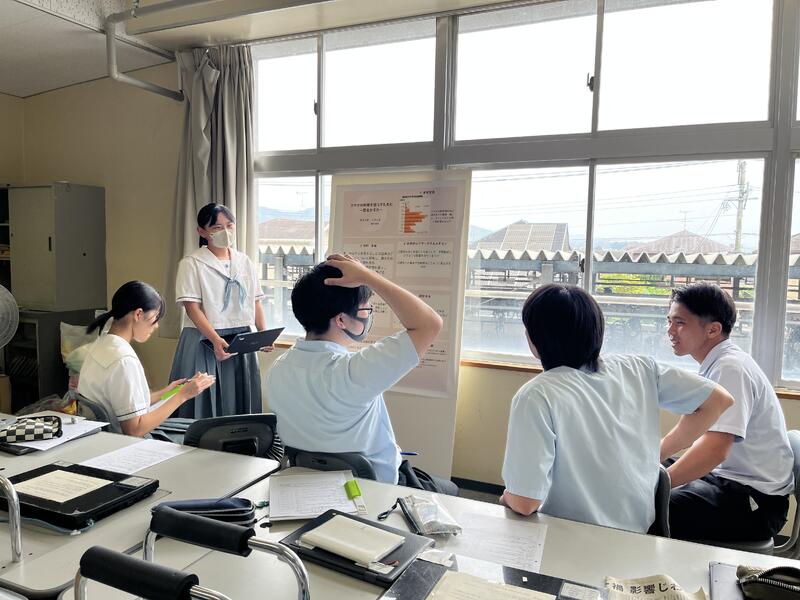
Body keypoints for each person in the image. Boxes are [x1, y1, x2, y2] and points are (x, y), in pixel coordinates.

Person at [501, 283, 734, 534]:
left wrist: (506, 498)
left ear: (535, 338)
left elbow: (525, 503)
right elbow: (718, 400)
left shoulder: (537, 395)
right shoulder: (638, 368)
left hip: (570, 538)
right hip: (639, 535)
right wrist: (657, 452)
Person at [266, 253, 455, 493]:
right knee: (450, 489)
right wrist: (368, 276)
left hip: (308, 483)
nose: (368, 315)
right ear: (342, 320)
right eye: (366, 309)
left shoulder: (278, 369)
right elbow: (429, 323)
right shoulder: (354, 371)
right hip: (370, 488)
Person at [664, 282, 794, 542]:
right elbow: (687, 432)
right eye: (669, 321)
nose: (670, 330)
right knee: (650, 469)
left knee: (655, 506)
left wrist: (656, 488)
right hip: (725, 479)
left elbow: (715, 450)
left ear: (713, 329)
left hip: (755, 501)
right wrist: (651, 461)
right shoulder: (716, 363)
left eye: (680, 323)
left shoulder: (730, 368)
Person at [169, 203, 271, 418]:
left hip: (241, 335)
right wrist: (215, 340)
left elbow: (255, 301)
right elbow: (192, 308)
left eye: (229, 225)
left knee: (240, 396)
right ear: (202, 231)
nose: (225, 231)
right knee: (202, 400)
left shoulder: (244, 261)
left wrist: (263, 334)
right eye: (217, 227)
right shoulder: (191, 263)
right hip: (203, 338)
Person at [78, 281, 215, 437]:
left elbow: (129, 404)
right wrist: (182, 395)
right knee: (202, 434)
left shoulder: (102, 344)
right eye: (155, 318)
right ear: (138, 314)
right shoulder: (124, 361)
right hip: (125, 441)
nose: (156, 326)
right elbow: (134, 430)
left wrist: (169, 391)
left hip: (104, 435)